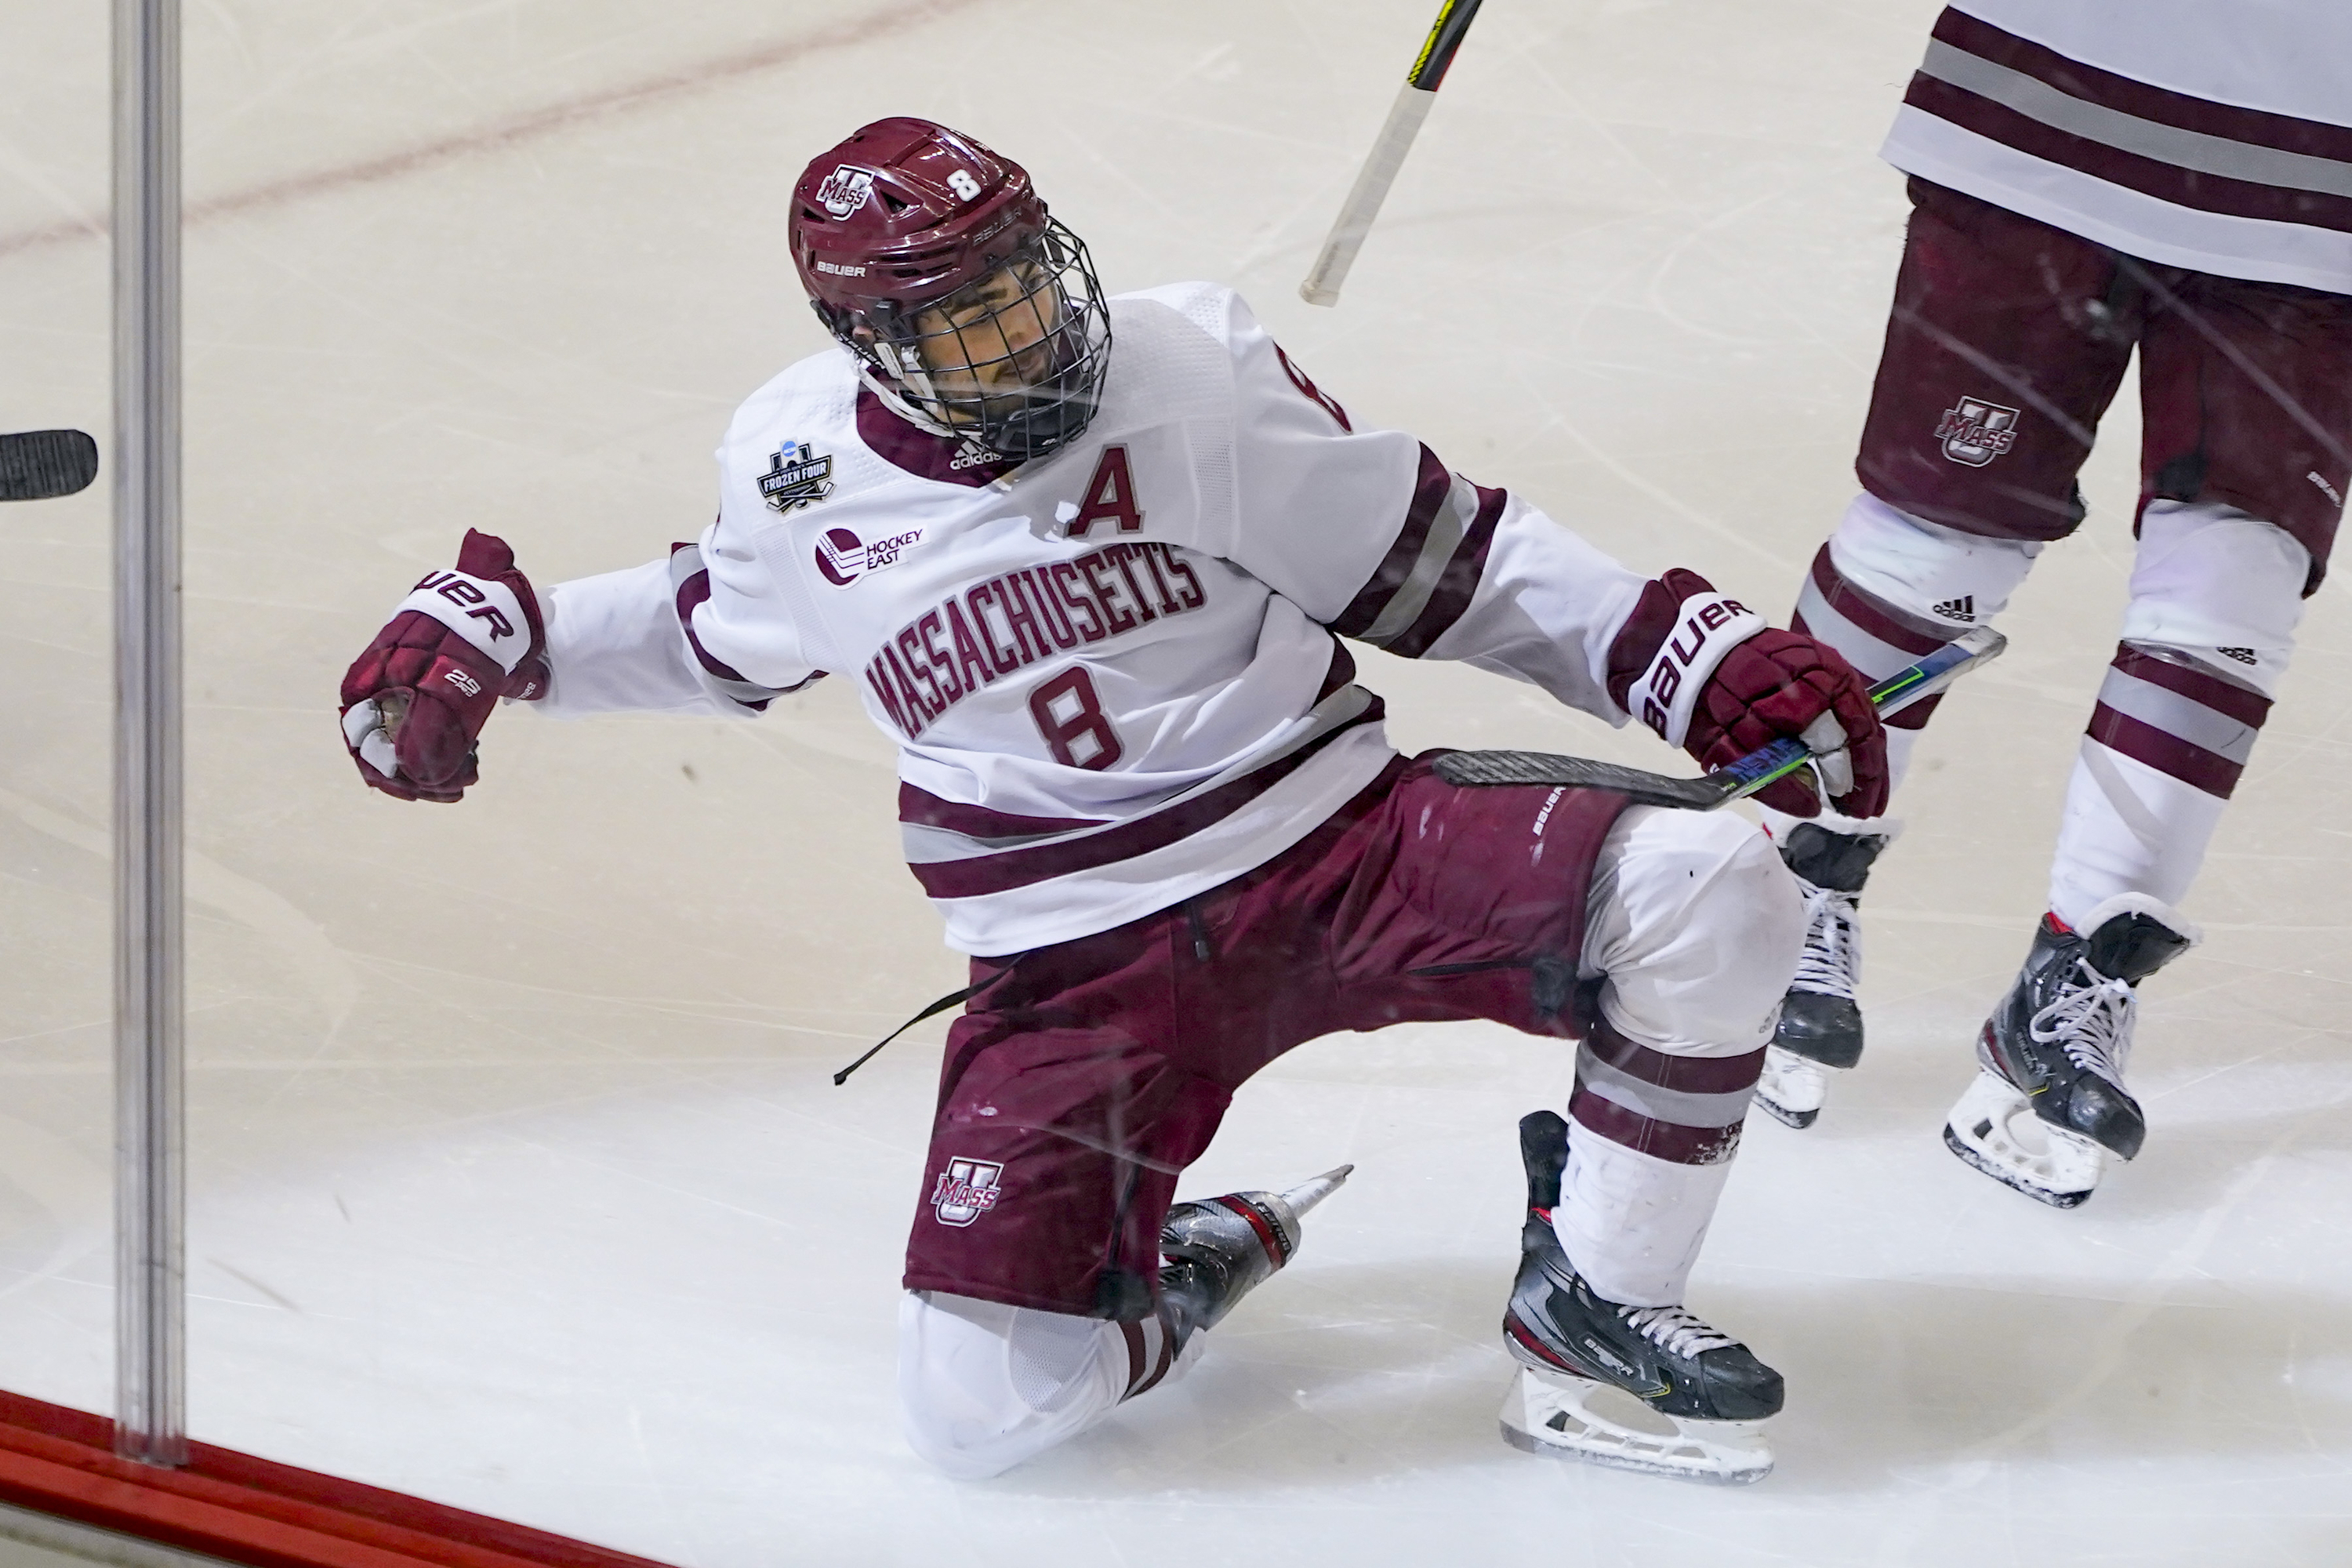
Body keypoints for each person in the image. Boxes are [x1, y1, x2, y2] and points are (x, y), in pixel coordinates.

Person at [336, 118, 1889, 1483]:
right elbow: (710, 627)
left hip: (1346, 850)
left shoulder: (1189, 369)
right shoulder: (795, 469)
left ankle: (1598, 1295)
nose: (1031, 338)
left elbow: (1450, 556)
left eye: (1028, 284)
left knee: (1710, 883)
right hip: (1076, 970)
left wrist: (1685, 656)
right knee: (981, 1417)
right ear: (868, 343)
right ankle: (1187, 1268)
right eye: (973, 323)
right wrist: (512, 631)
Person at [1748, 2, 2352, 1207]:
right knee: (1936, 535)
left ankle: (2075, 981)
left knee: (2239, 582)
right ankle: (1774, 886)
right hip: (2059, 97)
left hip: (2322, 166)